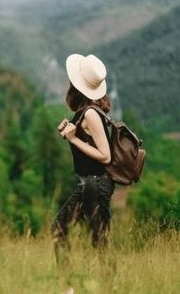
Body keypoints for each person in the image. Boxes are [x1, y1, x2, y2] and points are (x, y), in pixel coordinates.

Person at [52, 54, 115, 258]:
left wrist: (74, 139)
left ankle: (73, 286)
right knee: (94, 240)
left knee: (97, 241)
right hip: (91, 184)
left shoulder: (90, 114)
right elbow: (88, 143)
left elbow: (105, 156)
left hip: (96, 185)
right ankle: (72, 286)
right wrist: (71, 133)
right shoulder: (86, 111)